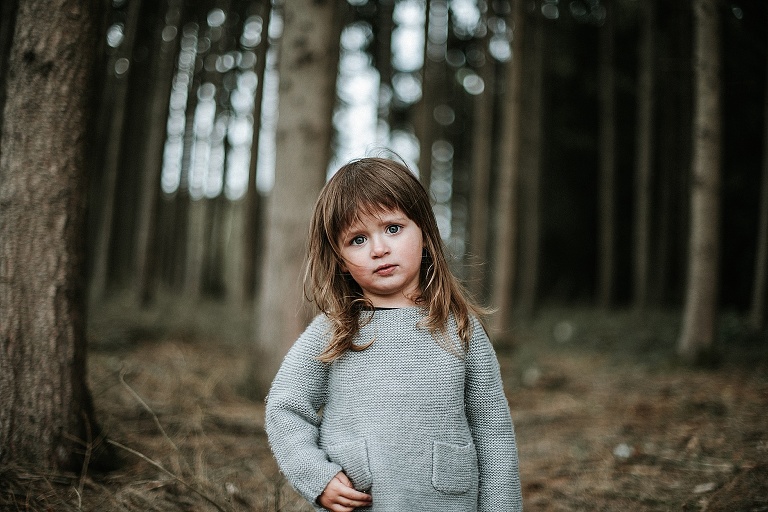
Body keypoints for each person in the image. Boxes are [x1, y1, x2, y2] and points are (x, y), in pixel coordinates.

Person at [264, 157, 522, 512]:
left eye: (393, 228)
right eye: (357, 239)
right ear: (339, 258)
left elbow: (493, 433)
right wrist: (316, 476)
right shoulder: (334, 330)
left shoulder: (459, 327)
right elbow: (285, 407)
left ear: (425, 233)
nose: (378, 249)